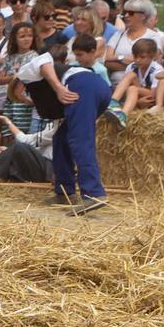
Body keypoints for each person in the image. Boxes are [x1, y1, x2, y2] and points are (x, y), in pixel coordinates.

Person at [52, 35, 113, 214]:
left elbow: (14, 92)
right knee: (61, 138)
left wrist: (56, 88)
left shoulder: (38, 65)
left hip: (84, 90)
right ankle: (64, 191)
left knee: (80, 140)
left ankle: (93, 193)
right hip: (97, 89)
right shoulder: (70, 69)